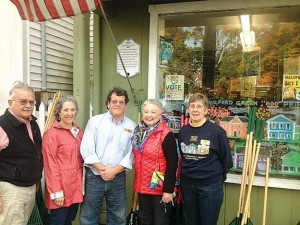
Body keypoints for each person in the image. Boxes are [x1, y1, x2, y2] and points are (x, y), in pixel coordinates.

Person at [80, 87, 136, 225]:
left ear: (125, 105)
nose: (117, 104)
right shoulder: (95, 122)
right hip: (94, 176)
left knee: (118, 217)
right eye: (114, 101)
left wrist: (113, 171)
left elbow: (131, 153)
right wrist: (103, 170)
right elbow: (87, 148)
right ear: (108, 104)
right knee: (89, 216)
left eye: (121, 102)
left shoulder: (132, 126)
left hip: (117, 177)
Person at [177, 93, 233, 225]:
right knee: (192, 221)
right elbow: (183, 155)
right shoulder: (183, 131)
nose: (195, 110)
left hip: (210, 185)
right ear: (188, 109)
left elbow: (226, 160)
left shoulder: (216, 132)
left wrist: (215, 177)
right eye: (192, 106)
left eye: (199, 106)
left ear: (206, 110)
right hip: (188, 184)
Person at [0, 81, 43, 225]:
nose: (28, 105)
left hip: (29, 187)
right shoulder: (2, 125)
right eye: (23, 101)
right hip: (11, 190)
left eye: (31, 101)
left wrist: (36, 179)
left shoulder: (32, 123)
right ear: (10, 102)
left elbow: (35, 153)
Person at [131, 99, 178, 225]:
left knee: (160, 222)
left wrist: (168, 191)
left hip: (160, 189)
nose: (149, 115)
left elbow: (173, 163)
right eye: (146, 111)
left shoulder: (166, 134)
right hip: (143, 187)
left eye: (153, 112)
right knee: (145, 221)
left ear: (160, 114)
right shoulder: (138, 132)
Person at [42, 95, 83, 225]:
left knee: (68, 221)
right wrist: (56, 192)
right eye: (66, 110)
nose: (69, 113)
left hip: (75, 188)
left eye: (72, 109)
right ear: (59, 111)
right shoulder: (52, 134)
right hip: (61, 189)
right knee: (58, 222)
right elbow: (50, 165)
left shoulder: (78, 132)